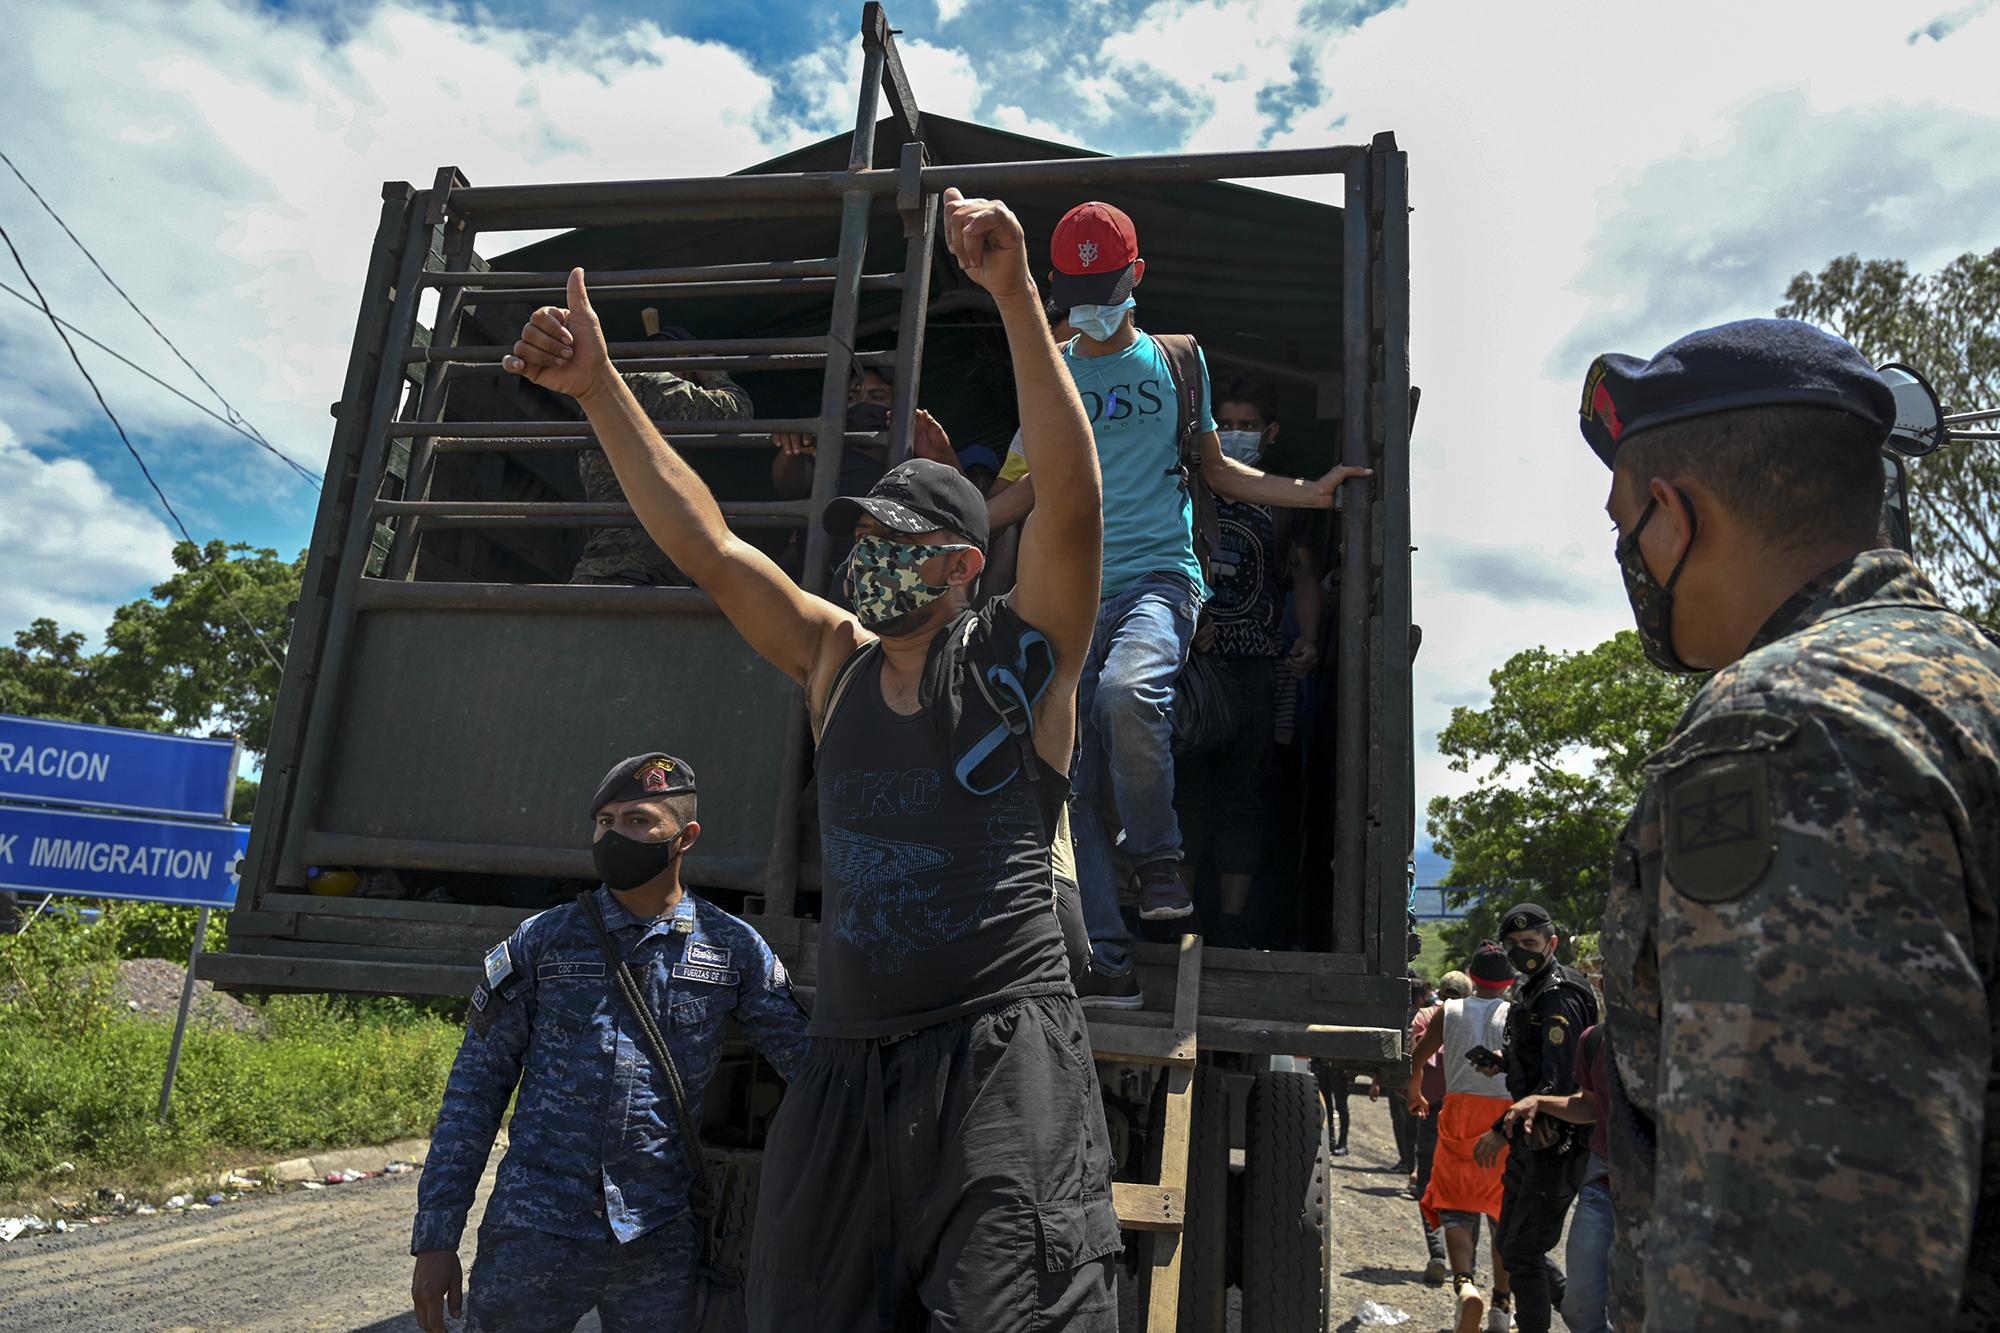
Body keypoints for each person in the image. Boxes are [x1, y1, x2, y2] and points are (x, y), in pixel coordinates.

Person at [501, 187, 1116, 1331]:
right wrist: (598, 390)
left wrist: (1016, 293)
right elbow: (707, 542)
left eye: (897, 547)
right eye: (861, 542)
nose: (869, 561)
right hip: (844, 1065)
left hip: (998, 1053)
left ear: (964, 566)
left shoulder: (1017, 668)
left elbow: (1073, 503)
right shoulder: (833, 662)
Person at [1579, 318, 2000, 1331]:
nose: (1624, 558)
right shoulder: (1965, 683)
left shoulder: (1784, 732)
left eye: (1623, 527)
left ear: (1673, 517)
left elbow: (1792, 1258)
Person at [1007, 201, 1367, 1008]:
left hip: (1159, 580)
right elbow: (1026, 486)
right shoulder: (1050, 363)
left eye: (1103, 285)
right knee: (1070, 776)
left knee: (1127, 695)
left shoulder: (1178, 363)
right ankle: (1106, 957)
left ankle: (1159, 855)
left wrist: (1312, 492)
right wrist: (946, 511)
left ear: (1135, 278)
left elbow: (1218, 470)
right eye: (1076, 288)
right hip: (1070, 594)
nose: (1089, 303)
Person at [410, 753, 810, 1333]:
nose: (614, 834)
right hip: (536, 1229)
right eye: (605, 821)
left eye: (638, 821)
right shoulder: (543, 942)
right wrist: (437, 1237)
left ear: (685, 837)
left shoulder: (733, 950)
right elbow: (474, 1090)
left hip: (659, 1237)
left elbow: (812, 1071)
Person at [1169, 372, 1322, 950]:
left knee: (1244, 794)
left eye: (1247, 427)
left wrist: (1309, 638)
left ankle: (1231, 922)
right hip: (1187, 672)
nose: (1234, 436)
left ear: (1271, 433)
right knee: (1183, 791)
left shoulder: (1281, 505)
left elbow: (1304, 578)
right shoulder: (1188, 493)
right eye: (1224, 425)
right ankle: (1178, 918)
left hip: (1254, 673)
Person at [1469, 903, 1597, 1333]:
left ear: (1551, 943)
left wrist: (1497, 1131)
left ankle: (1582, 1318)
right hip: (1532, 1137)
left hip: (1554, 1140)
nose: (1522, 952)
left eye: (1531, 944)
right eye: (1514, 946)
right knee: (1512, 1243)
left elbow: (1561, 1081)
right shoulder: (1532, 989)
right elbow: (1541, 1060)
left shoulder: (1559, 995)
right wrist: (1503, 1061)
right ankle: (1582, 1315)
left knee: (1522, 1251)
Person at [571, 329, 752, 585]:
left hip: (606, 569)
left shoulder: (607, 392)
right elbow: (735, 411)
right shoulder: (652, 383)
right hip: (634, 576)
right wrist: (714, 372)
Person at [1410, 944, 1517, 1333]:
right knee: (1501, 1212)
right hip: (1504, 1117)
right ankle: (1503, 1308)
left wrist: (1414, 1091)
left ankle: (1465, 1285)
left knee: (1455, 1206)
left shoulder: (1449, 1010)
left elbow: (1418, 1056)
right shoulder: (1516, 1014)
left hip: (1457, 1111)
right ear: (1510, 980)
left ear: (1472, 974)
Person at [1502, 1023, 1612, 1333]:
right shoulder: (1595, 1039)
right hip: (1603, 1185)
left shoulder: (1678, 1038)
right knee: (1580, 1309)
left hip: (1657, 1193)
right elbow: (1589, 1105)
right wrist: (1539, 1101)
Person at [1409, 970, 1474, 1284]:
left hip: (1431, 1111)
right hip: (1469, 1114)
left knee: (1428, 1182)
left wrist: (1413, 1094)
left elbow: (1414, 1058)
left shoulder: (1425, 1016)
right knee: (1466, 1185)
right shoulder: (1478, 1018)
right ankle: (1465, 1264)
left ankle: (1436, 1250)